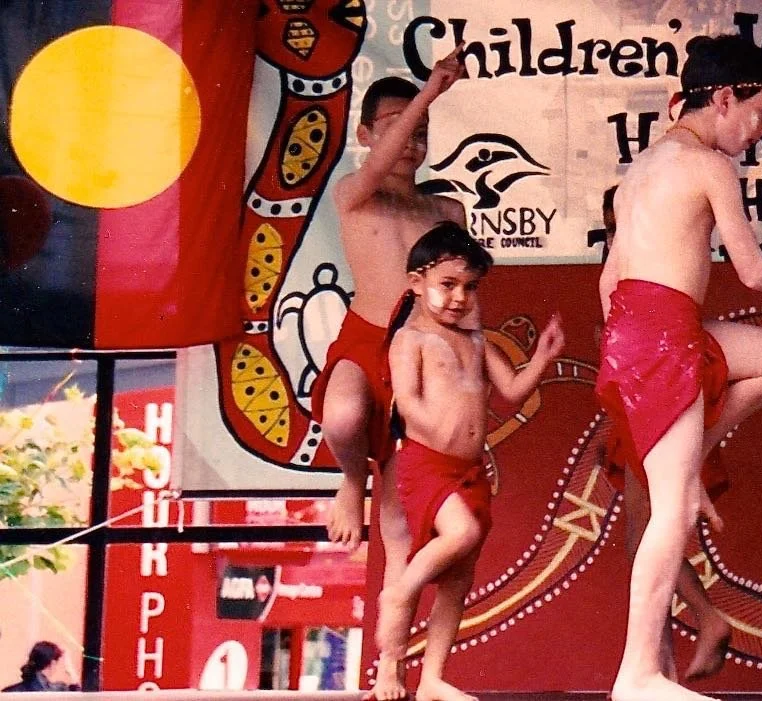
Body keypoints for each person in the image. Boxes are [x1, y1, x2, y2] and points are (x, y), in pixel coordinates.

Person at [596, 34, 762, 701]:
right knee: (670, 506)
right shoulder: (709, 166)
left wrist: (633, 351)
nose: (761, 130)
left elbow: (612, 280)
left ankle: (697, 447)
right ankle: (637, 672)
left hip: (641, 333)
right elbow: (754, 272)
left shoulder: (642, 168)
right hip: (662, 336)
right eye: (760, 111)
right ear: (724, 98)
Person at [307, 47, 467, 699]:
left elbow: (462, 294)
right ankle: (350, 480)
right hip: (365, 339)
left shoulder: (445, 212)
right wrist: (430, 92)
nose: (413, 138)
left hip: (424, 362)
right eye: (399, 124)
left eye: (422, 129)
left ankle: (391, 668)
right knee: (343, 414)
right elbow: (378, 164)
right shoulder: (356, 193)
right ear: (370, 133)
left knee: (401, 529)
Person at [378, 222, 564, 701]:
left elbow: (512, 391)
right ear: (416, 282)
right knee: (462, 534)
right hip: (427, 465)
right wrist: (433, 431)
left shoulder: (477, 340)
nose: (460, 297)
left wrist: (541, 359)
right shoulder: (411, 340)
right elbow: (407, 400)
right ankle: (401, 589)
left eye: (469, 287)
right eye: (448, 284)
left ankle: (434, 678)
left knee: (459, 577)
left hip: (470, 469)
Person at [596, 184, 732, 683]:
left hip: (657, 403)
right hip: (647, 402)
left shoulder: (646, 269)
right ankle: (663, 665)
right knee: (653, 533)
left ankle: (701, 623)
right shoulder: (628, 267)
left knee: (649, 534)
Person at [2, 641, 80, 692]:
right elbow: (77, 695)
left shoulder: (9, 691)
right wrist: (70, 669)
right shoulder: (58, 691)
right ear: (52, 663)